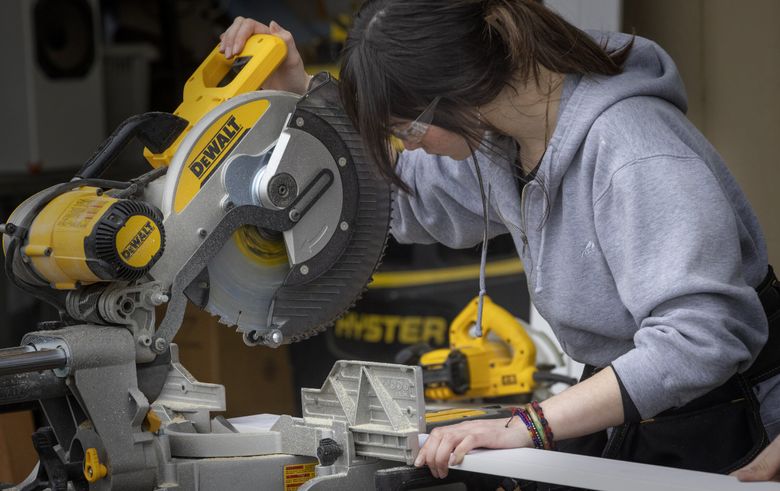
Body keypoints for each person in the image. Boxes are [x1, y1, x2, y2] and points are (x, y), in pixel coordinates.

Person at [220, 0, 780, 485]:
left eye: (407, 129)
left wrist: (529, 424)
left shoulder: (634, 152)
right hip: (645, 411)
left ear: (459, 92)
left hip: (733, 418)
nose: (409, 147)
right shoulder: (506, 144)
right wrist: (299, 96)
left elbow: (700, 339)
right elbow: (401, 196)